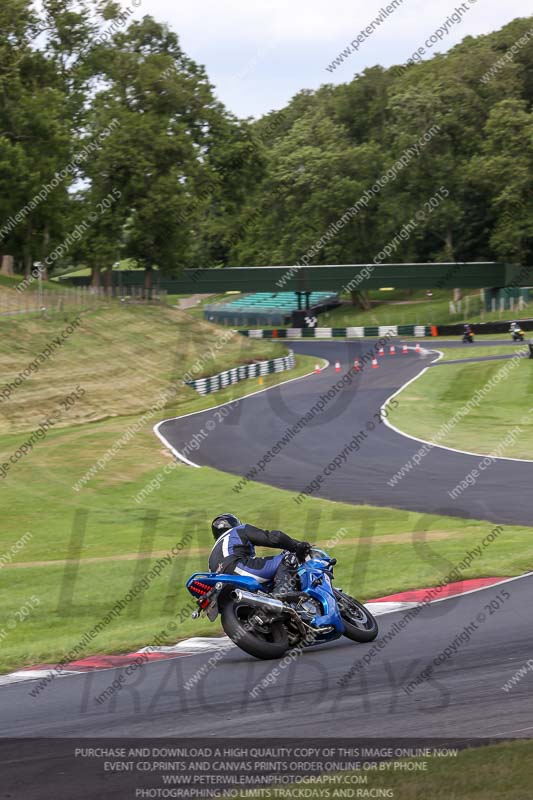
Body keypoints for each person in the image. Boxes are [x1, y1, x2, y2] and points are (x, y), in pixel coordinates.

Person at [208, 513, 311, 597]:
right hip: (238, 568)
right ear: (235, 523)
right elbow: (274, 538)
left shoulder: (212, 554)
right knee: (289, 558)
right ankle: (280, 594)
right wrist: (297, 546)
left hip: (219, 582)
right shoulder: (238, 530)